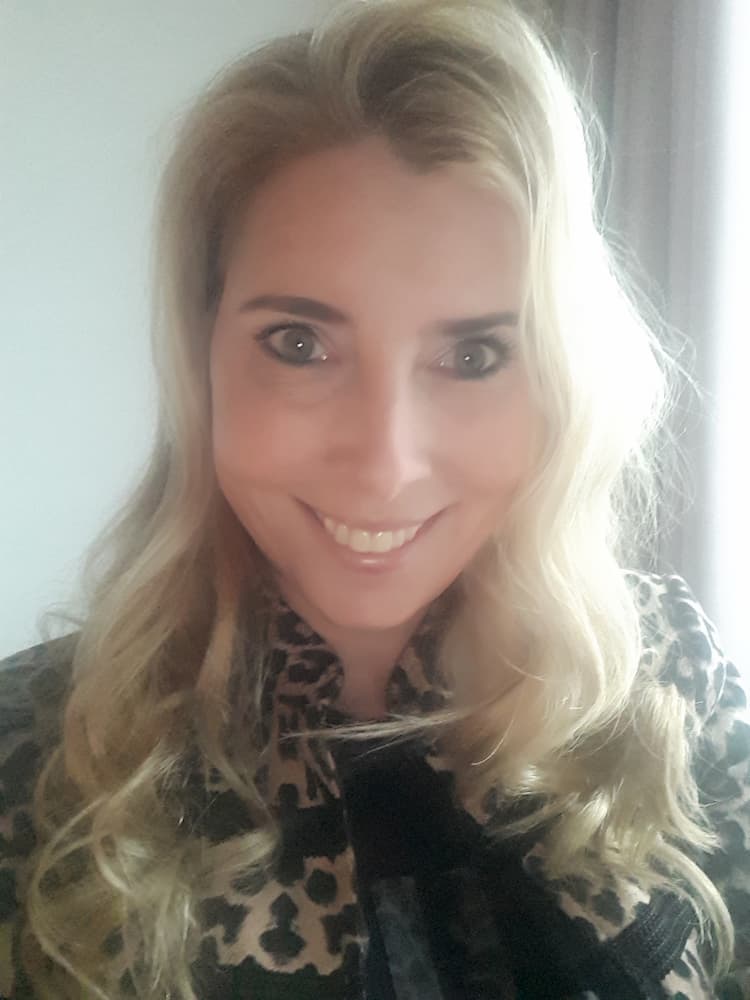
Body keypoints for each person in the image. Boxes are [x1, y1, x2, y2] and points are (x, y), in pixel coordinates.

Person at [1, 0, 748, 996]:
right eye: (299, 344)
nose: (386, 466)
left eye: (475, 355)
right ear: (201, 351)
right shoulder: (35, 754)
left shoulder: (674, 677)